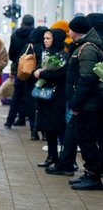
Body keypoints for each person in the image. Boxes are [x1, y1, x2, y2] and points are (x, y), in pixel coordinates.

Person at [47, 15, 103, 188]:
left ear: (76, 31)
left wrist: (77, 104)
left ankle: (93, 176)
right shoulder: (82, 47)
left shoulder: (87, 50)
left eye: (70, 28)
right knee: (84, 137)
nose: (68, 31)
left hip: (88, 103)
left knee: (87, 139)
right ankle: (89, 173)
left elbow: (86, 80)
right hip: (85, 102)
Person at [33, 28, 69, 168]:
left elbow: (60, 75)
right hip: (45, 95)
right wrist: (37, 71)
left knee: (59, 127)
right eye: (44, 38)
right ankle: (52, 156)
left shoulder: (63, 55)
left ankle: (66, 158)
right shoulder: (46, 53)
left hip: (57, 96)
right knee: (48, 127)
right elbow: (40, 69)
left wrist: (42, 74)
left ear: (56, 39)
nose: (45, 41)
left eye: (48, 38)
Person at [5, 13, 36, 128]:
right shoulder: (35, 35)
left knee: (17, 95)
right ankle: (31, 123)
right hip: (32, 69)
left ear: (22, 23)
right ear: (33, 24)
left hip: (19, 69)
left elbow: (12, 55)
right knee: (30, 95)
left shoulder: (15, 35)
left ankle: (10, 120)